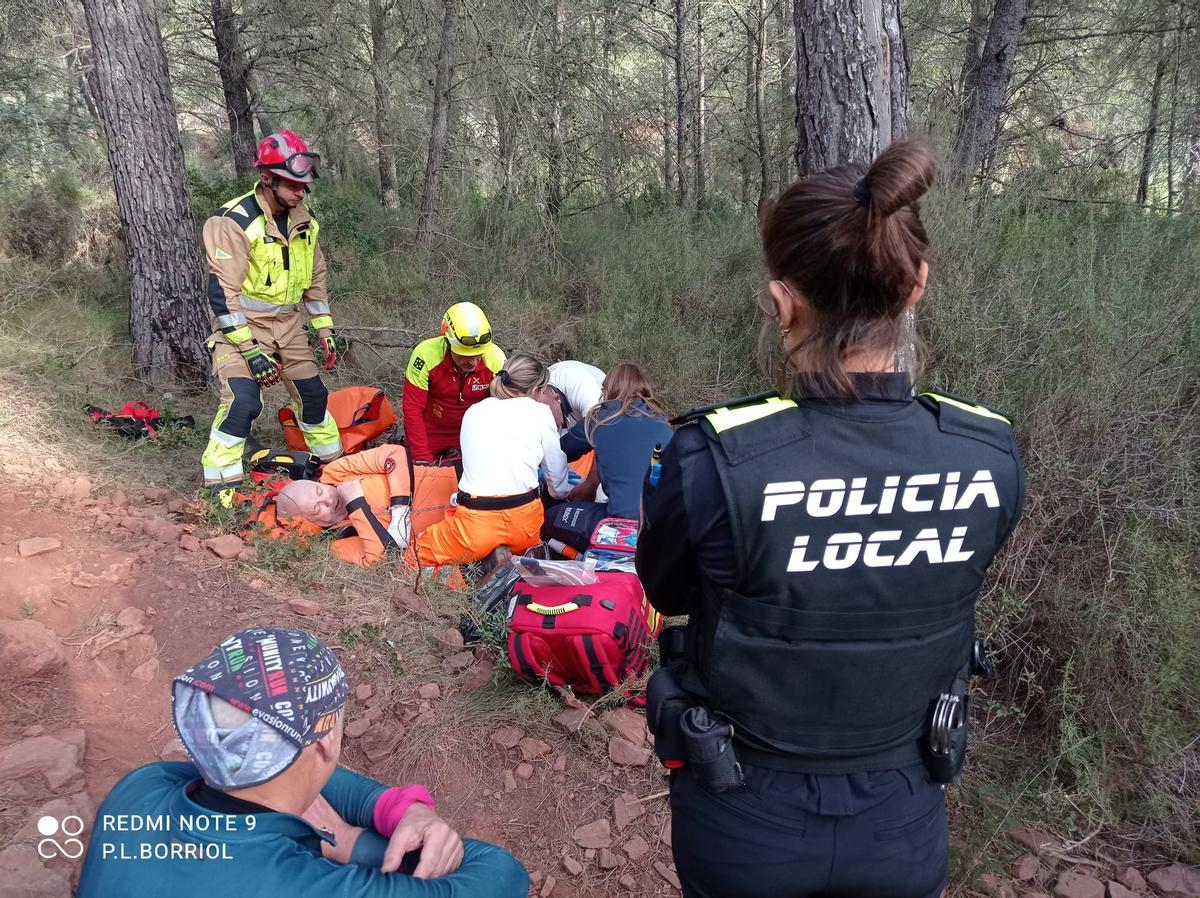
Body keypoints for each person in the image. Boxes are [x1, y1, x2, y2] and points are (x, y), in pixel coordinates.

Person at [637, 141, 1025, 898]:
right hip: (907, 816)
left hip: (744, 815)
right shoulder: (990, 451)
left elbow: (669, 591)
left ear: (782, 302)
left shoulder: (716, 456)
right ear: (917, 286)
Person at [77, 626, 529, 897]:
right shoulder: (313, 887)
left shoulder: (140, 791)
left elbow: (267, 767)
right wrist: (351, 842)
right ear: (327, 740)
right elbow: (500, 874)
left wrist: (404, 808)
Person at [200, 130, 345, 504]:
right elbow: (222, 294)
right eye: (293, 185)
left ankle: (333, 470)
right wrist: (249, 351)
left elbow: (315, 280)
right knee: (243, 402)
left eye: (304, 186)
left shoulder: (304, 222)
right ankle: (221, 489)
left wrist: (325, 330)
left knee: (314, 397)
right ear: (267, 178)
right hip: (242, 326)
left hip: (289, 326)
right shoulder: (233, 221)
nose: (301, 193)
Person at [413, 355, 570, 566]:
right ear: (534, 391)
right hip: (525, 526)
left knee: (414, 555)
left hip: (476, 523)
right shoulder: (541, 412)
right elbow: (558, 487)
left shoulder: (474, 411)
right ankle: (508, 557)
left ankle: (470, 573)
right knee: (532, 536)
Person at [543, 363, 673, 554]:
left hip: (621, 527)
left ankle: (577, 566)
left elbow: (561, 450)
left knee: (551, 518)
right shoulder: (664, 424)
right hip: (663, 528)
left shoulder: (600, 417)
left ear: (608, 390)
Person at [261, 445, 458, 567]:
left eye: (320, 492)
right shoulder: (338, 541)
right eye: (318, 508)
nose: (329, 501)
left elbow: (393, 453)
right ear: (311, 522)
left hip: (459, 480)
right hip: (460, 525)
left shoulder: (336, 472)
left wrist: (400, 511)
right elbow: (381, 558)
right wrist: (356, 504)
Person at [402, 303, 506, 465]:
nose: (473, 362)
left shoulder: (496, 358)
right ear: (449, 343)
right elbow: (413, 408)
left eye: (478, 354)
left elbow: (504, 411)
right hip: (432, 431)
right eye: (464, 355)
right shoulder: (425, 355)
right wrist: (422, 456)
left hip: (473, 431)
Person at [545, 360, 606, 434]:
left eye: (550, 417)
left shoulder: (585, 388)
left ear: (557, 398)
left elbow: (596, 431)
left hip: (605, 408)